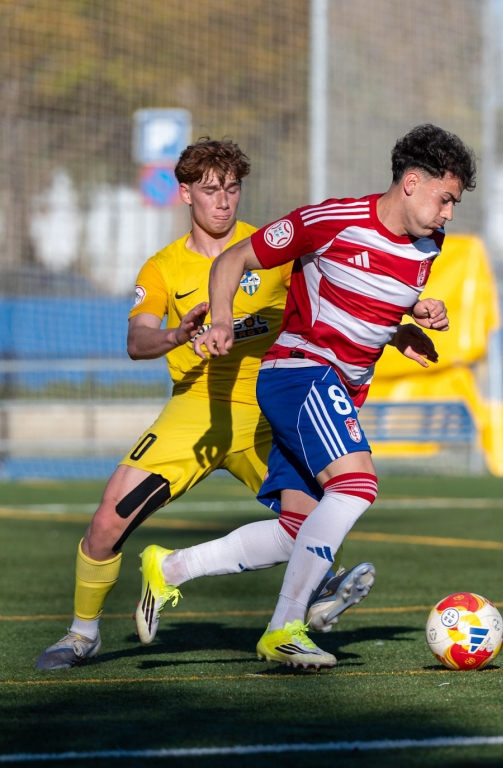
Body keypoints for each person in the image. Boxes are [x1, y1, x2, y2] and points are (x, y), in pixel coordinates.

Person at [192, 123, 477, 669]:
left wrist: (407, 322)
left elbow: (369, 296)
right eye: (445, 199)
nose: (448, 214)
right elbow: (232, 260)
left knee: (294, 529)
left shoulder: (429, 245)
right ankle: (284, 628)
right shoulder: (331, 220)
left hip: (337, 390)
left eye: (454, 204)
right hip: (300, 372)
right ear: (411, 183)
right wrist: (223, 320)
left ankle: (169, 568)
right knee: (357, 484)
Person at [35, 137, 299, 669]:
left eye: (232, 189)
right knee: (107, 521)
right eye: (210, 189)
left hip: (264, 409)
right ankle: (82, 634)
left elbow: (330, 299)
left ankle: (311, 594)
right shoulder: (162, 267)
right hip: (194, 411)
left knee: (315, 523)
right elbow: (137, 341)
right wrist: (178, 335)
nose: (223, 201)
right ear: (185, 194)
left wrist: (405, 319)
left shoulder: (271, 250)